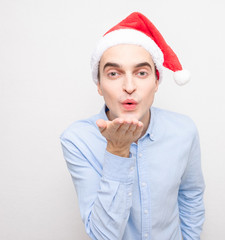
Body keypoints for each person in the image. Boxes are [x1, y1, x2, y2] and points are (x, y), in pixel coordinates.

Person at [60, 12, 205, 240]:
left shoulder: (184, 131)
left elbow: (191, 195)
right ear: (99, 84)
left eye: (141, 73)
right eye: (114, 73)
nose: (129, 86)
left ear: (157, 81)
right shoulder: (77, 140)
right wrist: (117, 151)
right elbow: (103, 236)